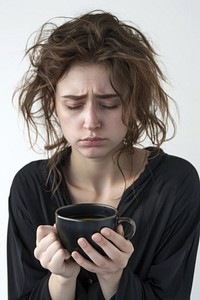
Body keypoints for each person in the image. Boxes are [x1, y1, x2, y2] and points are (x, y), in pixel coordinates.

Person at [7, 10, 200, 300]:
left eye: (109, 104)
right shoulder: (30, 186)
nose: (91, 121)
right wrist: (61, 279)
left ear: (134, 103)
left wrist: (114, 277)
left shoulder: (175, 184)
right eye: (73, 105)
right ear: (52, 105)